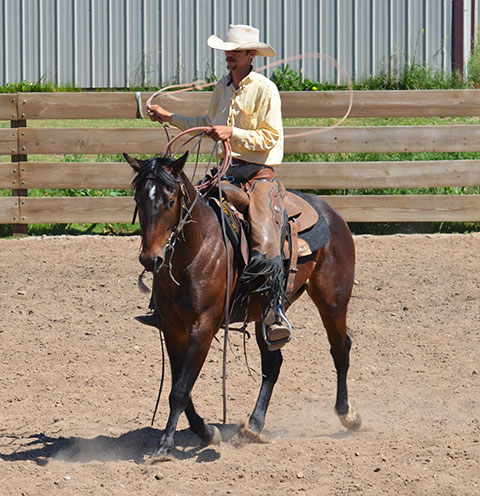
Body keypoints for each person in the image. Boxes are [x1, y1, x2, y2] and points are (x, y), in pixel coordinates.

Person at [144, 24, 292, 350]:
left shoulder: (265, 89)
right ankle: (164, 303)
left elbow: (270, 138)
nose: (229, 56)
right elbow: (206, 124)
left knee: (265, 238)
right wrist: (169, 117)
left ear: (251, 54)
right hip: (226, 173)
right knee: (182, 218)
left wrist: (232, 133)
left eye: (235, 51)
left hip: (258, 176)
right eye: (227, 51)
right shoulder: (223, 88)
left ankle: (273, 312)